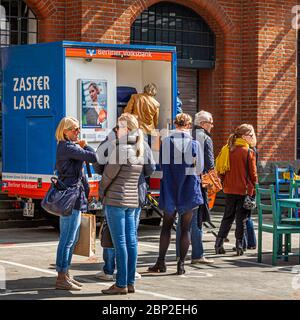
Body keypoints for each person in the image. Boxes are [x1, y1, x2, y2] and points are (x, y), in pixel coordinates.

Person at [93, 124, 155, 281]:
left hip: (115, 194)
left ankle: (110, 270)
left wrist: (102, 190)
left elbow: (98, 166)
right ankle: (130, 274)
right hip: (136, 193)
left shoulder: (111, 142)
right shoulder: (142, 143)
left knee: (114, 234)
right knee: (131, 236)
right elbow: (151, 168)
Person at [148, 113, 204, 275]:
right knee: (185, 228)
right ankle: (181, 264)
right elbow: (199, 169)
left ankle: (161, 262)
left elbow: (161, 165)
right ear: (188, 125)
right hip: (188, 187)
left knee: (166, 227)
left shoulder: (166, 142)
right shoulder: (194, 144)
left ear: (175, 124)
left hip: (170, 185)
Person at [99, 113, 145, 295]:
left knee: (120, 243)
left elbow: (108, 176)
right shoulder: (139, 148)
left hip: (116, 200)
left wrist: (101, 191)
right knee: (131, 241)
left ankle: (120, 283)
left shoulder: (121, 149)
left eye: (118, 127)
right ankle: (130, 281)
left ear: (126, 129)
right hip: (132, 200)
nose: (116, 131)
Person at [54, 117, 98, 290]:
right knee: (67, 239)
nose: (78, 132)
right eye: (74, 129)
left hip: (74, 197)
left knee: (71, 239)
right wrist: (85, 145)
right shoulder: (68, 147)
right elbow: (93, 157)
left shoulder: (68, 147)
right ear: (65, 131)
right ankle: (61, 276)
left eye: (78, 129)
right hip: (70, 198)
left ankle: (65, 274)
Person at [175, 110, 215, 264]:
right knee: (196, 219)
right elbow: (209, 164)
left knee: (181, 219)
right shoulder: (205, 139)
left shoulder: (186, 136)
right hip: (197, 182)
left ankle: (180, 253)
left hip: (180, 182)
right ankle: (197, 254)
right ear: (203, 124)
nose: (212, 125)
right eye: (210, 122)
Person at [214, 124, 258, 256]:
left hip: (228, 189)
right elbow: (253, 174)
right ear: (244, 136)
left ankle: (218, 244)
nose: (252, 138)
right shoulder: (248, 152)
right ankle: (239, 245)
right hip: (243, 190)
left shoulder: (227, 149)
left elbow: (220, 171)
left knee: (227, 217)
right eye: (250, 135)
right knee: (241, 219)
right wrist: (255, 188)